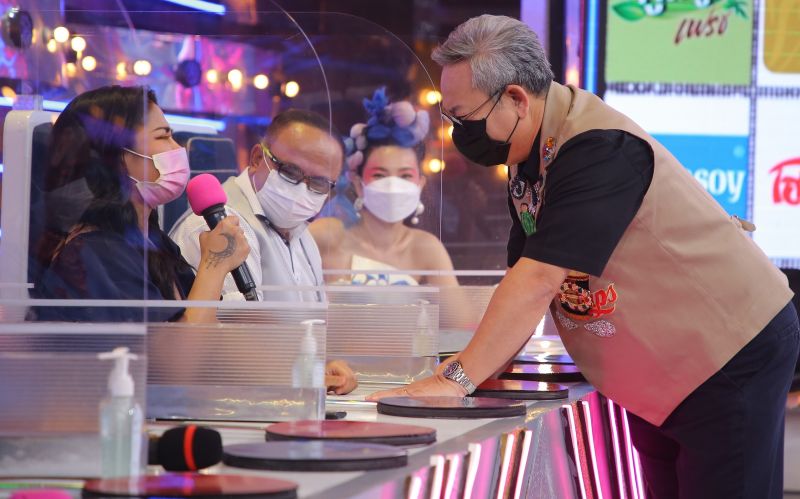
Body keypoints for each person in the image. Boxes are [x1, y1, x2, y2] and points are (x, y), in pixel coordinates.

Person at [368, 15, 799, 499]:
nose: (458, 133)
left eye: (463, 118)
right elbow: (519, 276)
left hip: (727, 348)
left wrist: (457, 379)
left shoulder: (598, 148)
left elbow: (538, 279)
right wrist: (472, 372)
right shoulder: (529, 155)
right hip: (664, 359)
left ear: (516, 98)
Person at [169, 109, 356, 395]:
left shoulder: (301, 235)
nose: (302, 189)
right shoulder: (217, 228)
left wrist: (326, 363)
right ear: (258, 158)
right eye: (291, 172)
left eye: (318, 183)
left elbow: (307, 329)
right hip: (223, 402)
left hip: (282, 400)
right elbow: (232, 347)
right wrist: (303, 374)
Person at [32, 85, 249, 324]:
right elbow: (176, 348)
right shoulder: (95, 252)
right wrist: (215, 263)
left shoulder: (155, 242)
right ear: (115, 156)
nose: (178, 148)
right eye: (163, 136)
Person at [310, 87, 458, 288]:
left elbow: (459, 309)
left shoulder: (426, 248)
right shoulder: (326, 236)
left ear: (420, 185)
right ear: (358, 183)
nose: (393, 185)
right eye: (379, 175)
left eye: (405, 175)